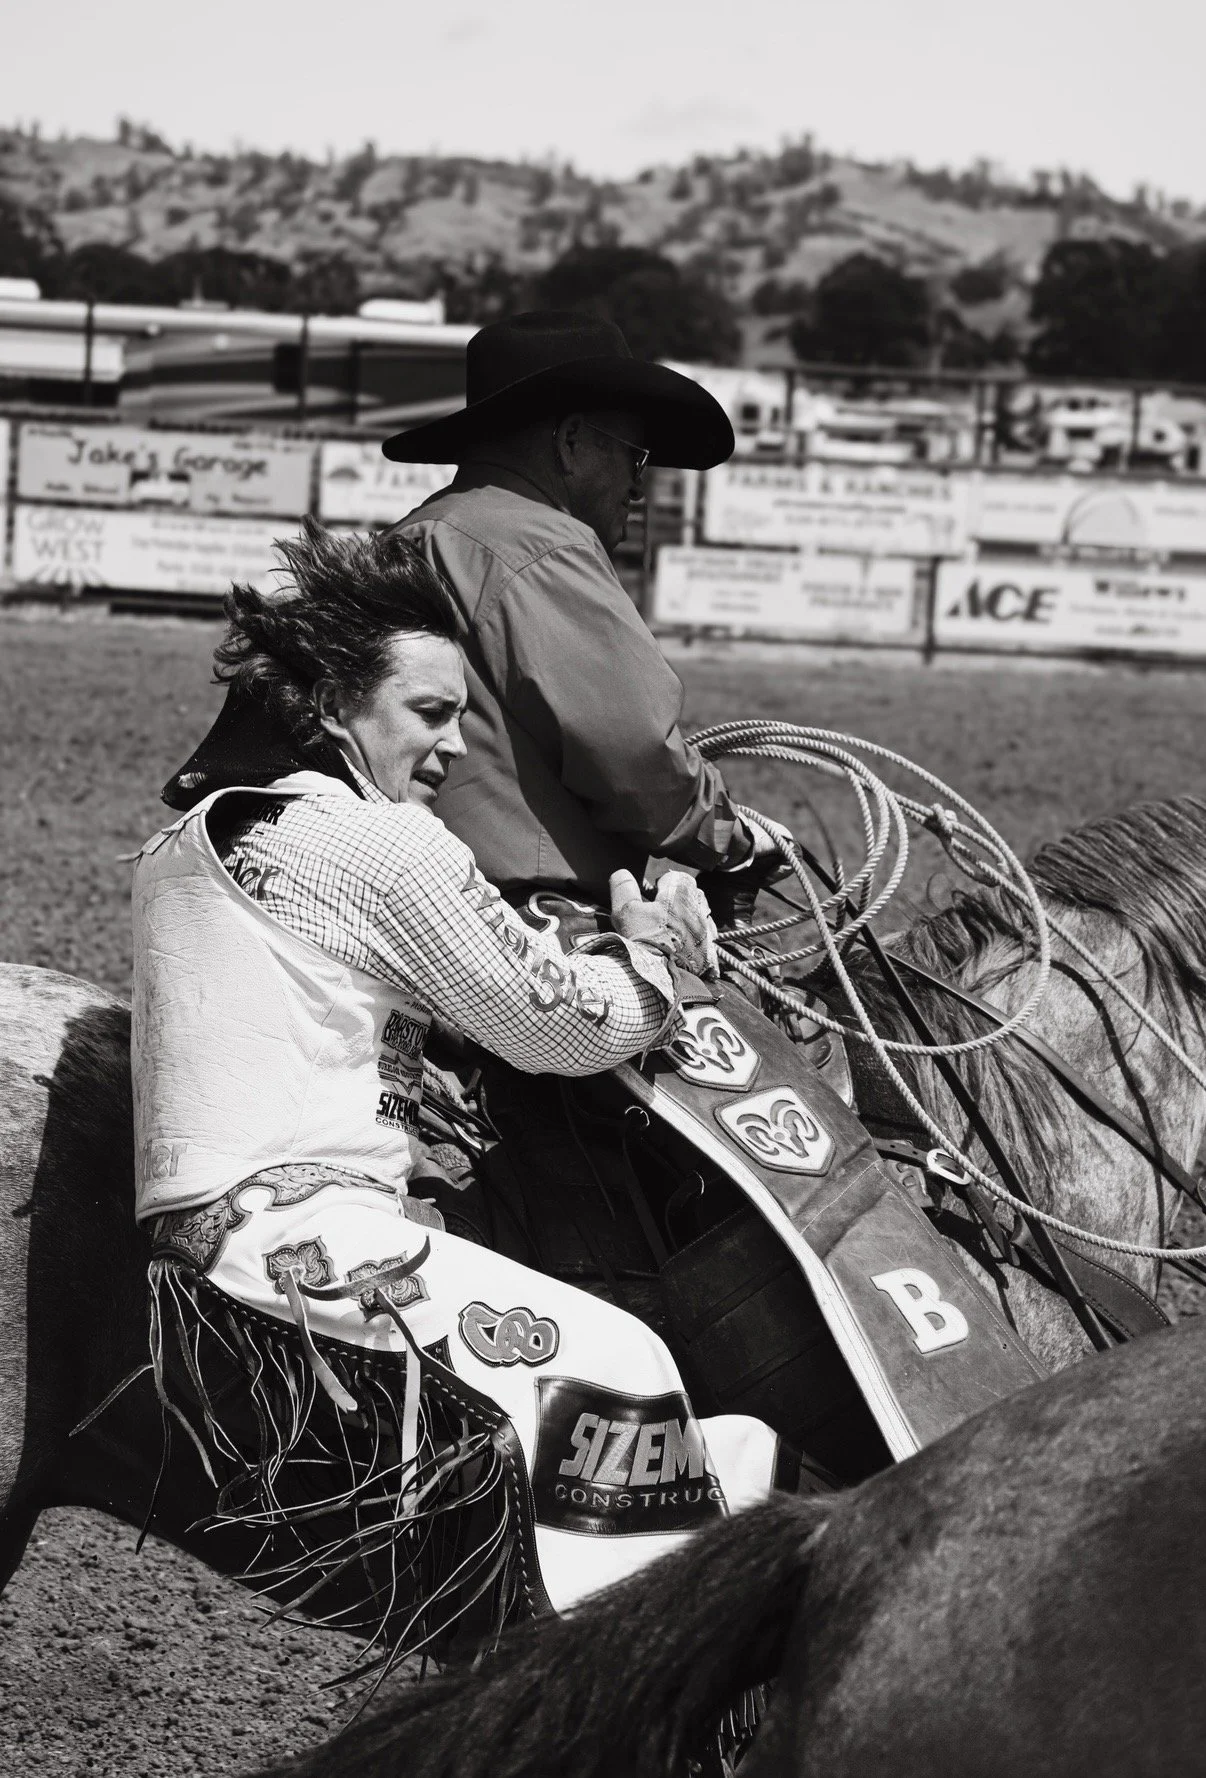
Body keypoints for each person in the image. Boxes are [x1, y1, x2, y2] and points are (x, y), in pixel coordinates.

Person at [133, 521, 785, 1666]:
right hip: (291, 1235)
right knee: (618, 1358)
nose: (449, 749)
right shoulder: (380, 844)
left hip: (222, 1212)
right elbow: (562, 1028)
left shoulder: (192, 833)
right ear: (336, 701)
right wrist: (654, 956)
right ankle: (633, 1680)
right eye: (430, 715)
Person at [380, 309, 791, 910]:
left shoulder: (409, 537)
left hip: (408, 891)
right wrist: (733, 839)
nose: (638, 486)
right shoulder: (544, 546)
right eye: (635, 456)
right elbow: (632, 753)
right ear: (572, 442)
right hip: (521, 917)